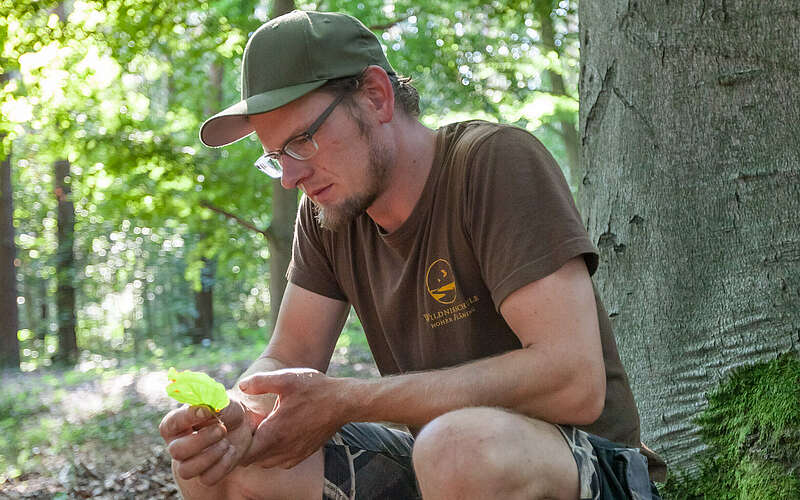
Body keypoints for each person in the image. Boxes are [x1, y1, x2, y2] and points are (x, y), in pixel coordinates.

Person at [159, 10, 666, 500]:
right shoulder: (328, 211)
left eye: (302, 142)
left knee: (456, 448)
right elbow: (287, 356)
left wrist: (348, 401)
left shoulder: (492, 163)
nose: (291, 178)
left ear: (376, 97)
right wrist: (240, 413)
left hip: (585, 466)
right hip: (438, 463)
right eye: (275, 158)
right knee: (220, 466)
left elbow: (574, 381)